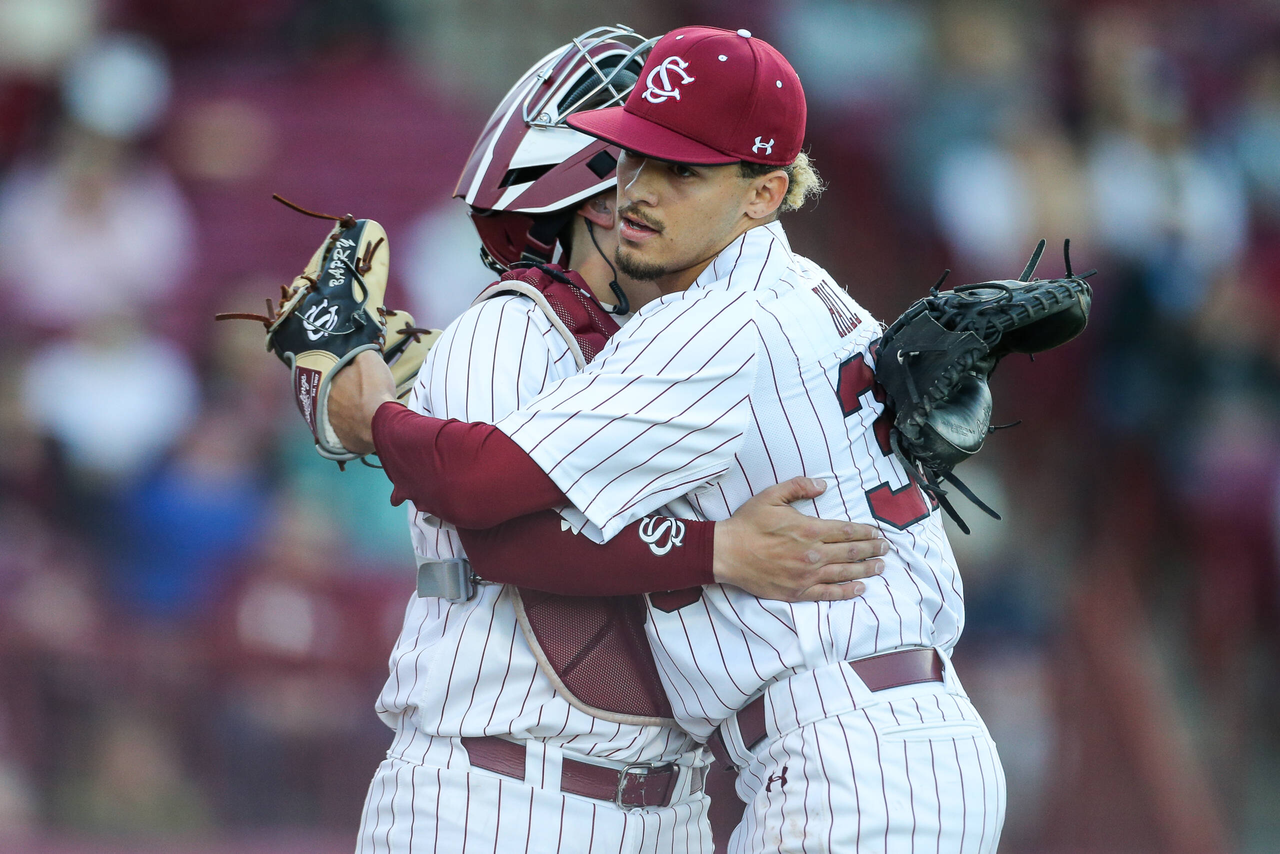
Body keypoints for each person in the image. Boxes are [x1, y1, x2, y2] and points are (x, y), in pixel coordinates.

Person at [351, 27, 888, 854]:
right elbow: (494, 531)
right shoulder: (513, 326)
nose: (641, 195)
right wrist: (718, 550)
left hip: (672, 807)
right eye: (631, 168)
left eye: (676, 171)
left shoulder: (696, 352)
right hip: (499, 792)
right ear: (595, 198)